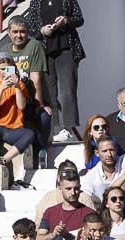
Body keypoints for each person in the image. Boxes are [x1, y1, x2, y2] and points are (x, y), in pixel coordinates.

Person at [24, 0, 84, 143]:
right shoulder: (35, 2)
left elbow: (79, 19)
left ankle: (68, 128)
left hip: (66, 48)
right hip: (45, 50)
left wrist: (66, 21)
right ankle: (53, 128)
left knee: (67, 88)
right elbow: (31, 27)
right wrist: (42, 30)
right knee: (49, 91)